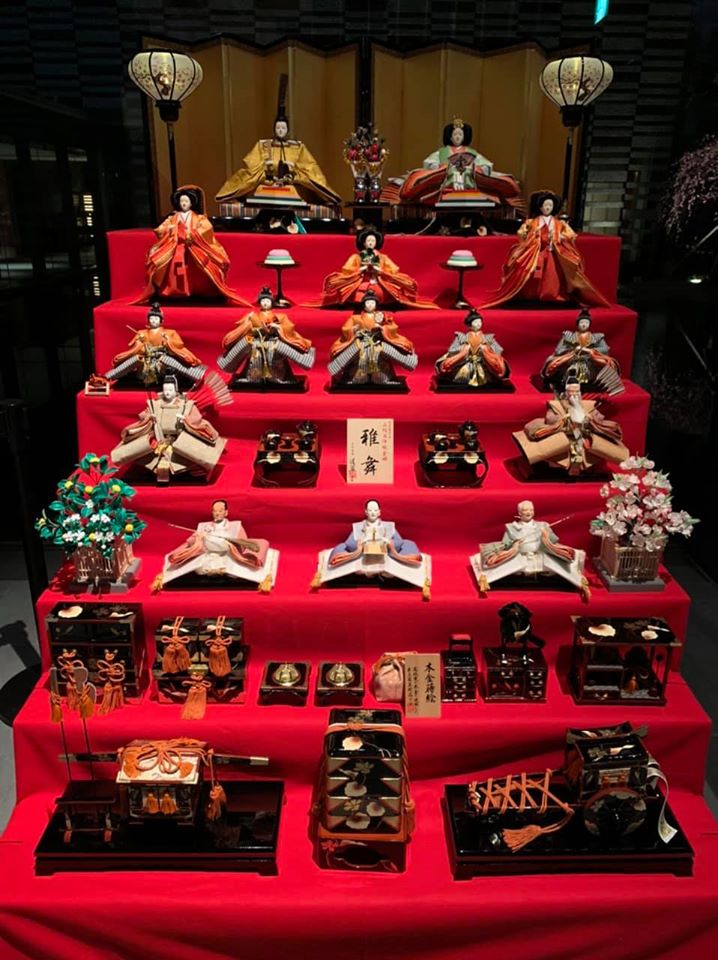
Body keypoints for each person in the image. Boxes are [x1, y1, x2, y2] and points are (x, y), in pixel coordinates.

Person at [215, 76, 341, 207]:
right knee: (251, 181)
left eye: (283, 128)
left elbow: (310, 169)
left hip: (292, 186)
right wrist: (266, 167)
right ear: (274, 129)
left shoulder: (297, 147)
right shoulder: (263, 145)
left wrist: (293, 169)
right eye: (278, 128)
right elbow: (251, 169)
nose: (281, 130)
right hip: (268, 185)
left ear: (288, 129)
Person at [479, 191, 611, 308]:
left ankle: (551, 295)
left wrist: (559, 237)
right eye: (545, 205)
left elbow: (570, 235)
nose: (547, 207)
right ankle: (532, 295)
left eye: (550, 205)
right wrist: (533, 234)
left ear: (554, 207)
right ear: (540, 207)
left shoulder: (559, 223)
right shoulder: (532, 222)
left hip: (553, 251)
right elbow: (522, 233)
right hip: (536, 251)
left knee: (552, 275)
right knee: (529, 273)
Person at [134, 186, 249, 305]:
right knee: (169, 269)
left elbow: (206, 228)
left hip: (194, 247)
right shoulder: (172, 218)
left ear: (191, 203)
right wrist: (171, 229)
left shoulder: (199, 218)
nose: (184, 203)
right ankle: (173, 292)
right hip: (176, 247)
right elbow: (160, 229)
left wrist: (193, 235)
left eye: (186, 201)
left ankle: (202, 291)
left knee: (202, 269)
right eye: (181, 201)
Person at [382, 117, 523, 210]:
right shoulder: (443, 152)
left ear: (464, 136)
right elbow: (429, 162)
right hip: (446, 185)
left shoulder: (471, 152)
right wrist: (439, 167)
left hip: (469, 184)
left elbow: (486, 165)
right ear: (450, 136)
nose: (458, 137)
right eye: (455, 134)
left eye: (460, 134)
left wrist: (478, 168)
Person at [110, 376, 226, 483]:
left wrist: (186, 421)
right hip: (158, 441)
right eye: (165, 390)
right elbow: (144, 417)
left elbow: (197, 420)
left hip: (178, 442)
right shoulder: (155, 404)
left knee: (193, 461)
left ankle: (186, 473)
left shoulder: (186, 405)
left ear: (176, 390)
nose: (167, 392)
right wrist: (149, 418)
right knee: (141, 456)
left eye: (170, 390)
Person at [313, 499, 431, 597]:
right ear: (366, 512)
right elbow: (349, 543)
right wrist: (361, 543)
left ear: (379, 512)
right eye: (370, 510)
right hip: (363, 557)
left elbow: (399, 542)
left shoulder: (388, 526)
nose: (373, 513)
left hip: (386, 556)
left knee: (407, 547)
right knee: (345, 563)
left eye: (375, 510)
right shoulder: (359, 527)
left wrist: (388, 542)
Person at [154, 499, 277, 591]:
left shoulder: (235, 526)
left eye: (220, 511)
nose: (217, 513)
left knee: (235, 570)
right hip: (208, 553)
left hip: (228, 553)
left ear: (226, 512)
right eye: (215, 511)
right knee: (199, 568)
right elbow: (191, 541)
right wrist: (199, 537)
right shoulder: (205, 526)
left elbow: (242, 540)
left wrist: (230, 542)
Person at [513, 379, 629, 476]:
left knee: (592, 448)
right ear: (566, 393)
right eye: (571, 392)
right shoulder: (556, 405)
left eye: (576, 392)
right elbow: (550, 418)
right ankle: (559, 470)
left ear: (580, 392)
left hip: (584, 438)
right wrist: (566, 419)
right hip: (564, 435)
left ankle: (585, 469)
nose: (574, 395)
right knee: (556, 452)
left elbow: (598, 418)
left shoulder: (589, 405)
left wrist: (588, 419)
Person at [472, 500, 587, 595]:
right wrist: (514, 544)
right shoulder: (511, 527)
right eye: (525, 510)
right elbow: (505, 544)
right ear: (519, 513)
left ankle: (578, 582)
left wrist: (546, 537)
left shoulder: (543, 525)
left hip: (540, 554)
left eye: (531, 510)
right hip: (519, 555)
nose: (529, 512)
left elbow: (554, 541)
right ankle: (486, 581)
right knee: (500, 570)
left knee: (563, 567)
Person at [310, 227, 436, 309]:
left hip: (378, 280)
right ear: (363, 242)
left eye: (373, 241)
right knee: (355, 293)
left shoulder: (383, 257)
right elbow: (347, 271)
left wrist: (380, 271)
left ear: (376, 243)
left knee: (385, 292)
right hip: (362, 281)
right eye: (368, 240)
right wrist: (361, 270)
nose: (370, 243)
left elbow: (393, 271)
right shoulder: (356, 257)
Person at [217, 287, 315, 385]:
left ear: (272, 303)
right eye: (263, 301)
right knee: (251, 346)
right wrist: (253, 328)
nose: (265, 303)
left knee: (276, 349)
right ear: (259, 302)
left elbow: (289, 328)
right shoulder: (252, 316)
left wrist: (278, 327)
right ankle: (253, 378)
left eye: (267, 301)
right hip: (256, 341)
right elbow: (242, 327)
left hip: (273, 342)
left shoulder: (280, 317)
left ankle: (278, 378)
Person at [328, 291, 418, 387]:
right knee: (359, 375)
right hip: (362, 343)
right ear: (364, 304)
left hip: (377, 343)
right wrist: (353, 330)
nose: (370, 305)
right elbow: (346, 328)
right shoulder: (355, 318)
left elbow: (392, 326)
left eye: (372, 303)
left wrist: (382, 328)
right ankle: (356, 372)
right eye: (368, 303)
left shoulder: (381, 316)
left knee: (380, 374)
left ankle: (381, 373)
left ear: (376, 304)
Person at [104, 303, 207, 387]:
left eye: (156, 319)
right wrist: (140, 343)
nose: (153, 321)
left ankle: (196, 376)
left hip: (163, 359)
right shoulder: (142, 332)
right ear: (148, 320)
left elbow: (180, 344)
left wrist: (168, 342)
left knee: (171, 361)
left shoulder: (170, 332)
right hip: (146, 359)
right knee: (135, 359)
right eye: (151, 318)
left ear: (161, 321)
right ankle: (109, 377)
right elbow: (134, 347)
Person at [541, 309, 623, 395]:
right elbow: (558, 350)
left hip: (590, 361)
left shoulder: (597, 337)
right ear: (577, 324)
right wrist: (572, 350)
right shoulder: (568, 336)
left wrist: (589, 350)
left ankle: (599, 383)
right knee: (552, 363)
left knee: (609, 363)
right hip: (572, 360)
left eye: (586, 323)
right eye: (582, 322)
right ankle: (558, 382)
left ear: (589, 324)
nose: (584, 324)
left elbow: (605, 349)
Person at [434, 310, 510, 388]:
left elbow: (498, 350)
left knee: (497, 369)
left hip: (483, 364)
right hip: (466, 365)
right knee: (450, 368)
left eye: (480, 322)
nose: (478, 324)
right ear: (469, 324)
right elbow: (451, 350)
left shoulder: (488, 338)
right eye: (475, 322)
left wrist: (486, 349)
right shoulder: (461, 337)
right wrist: (464, 349)